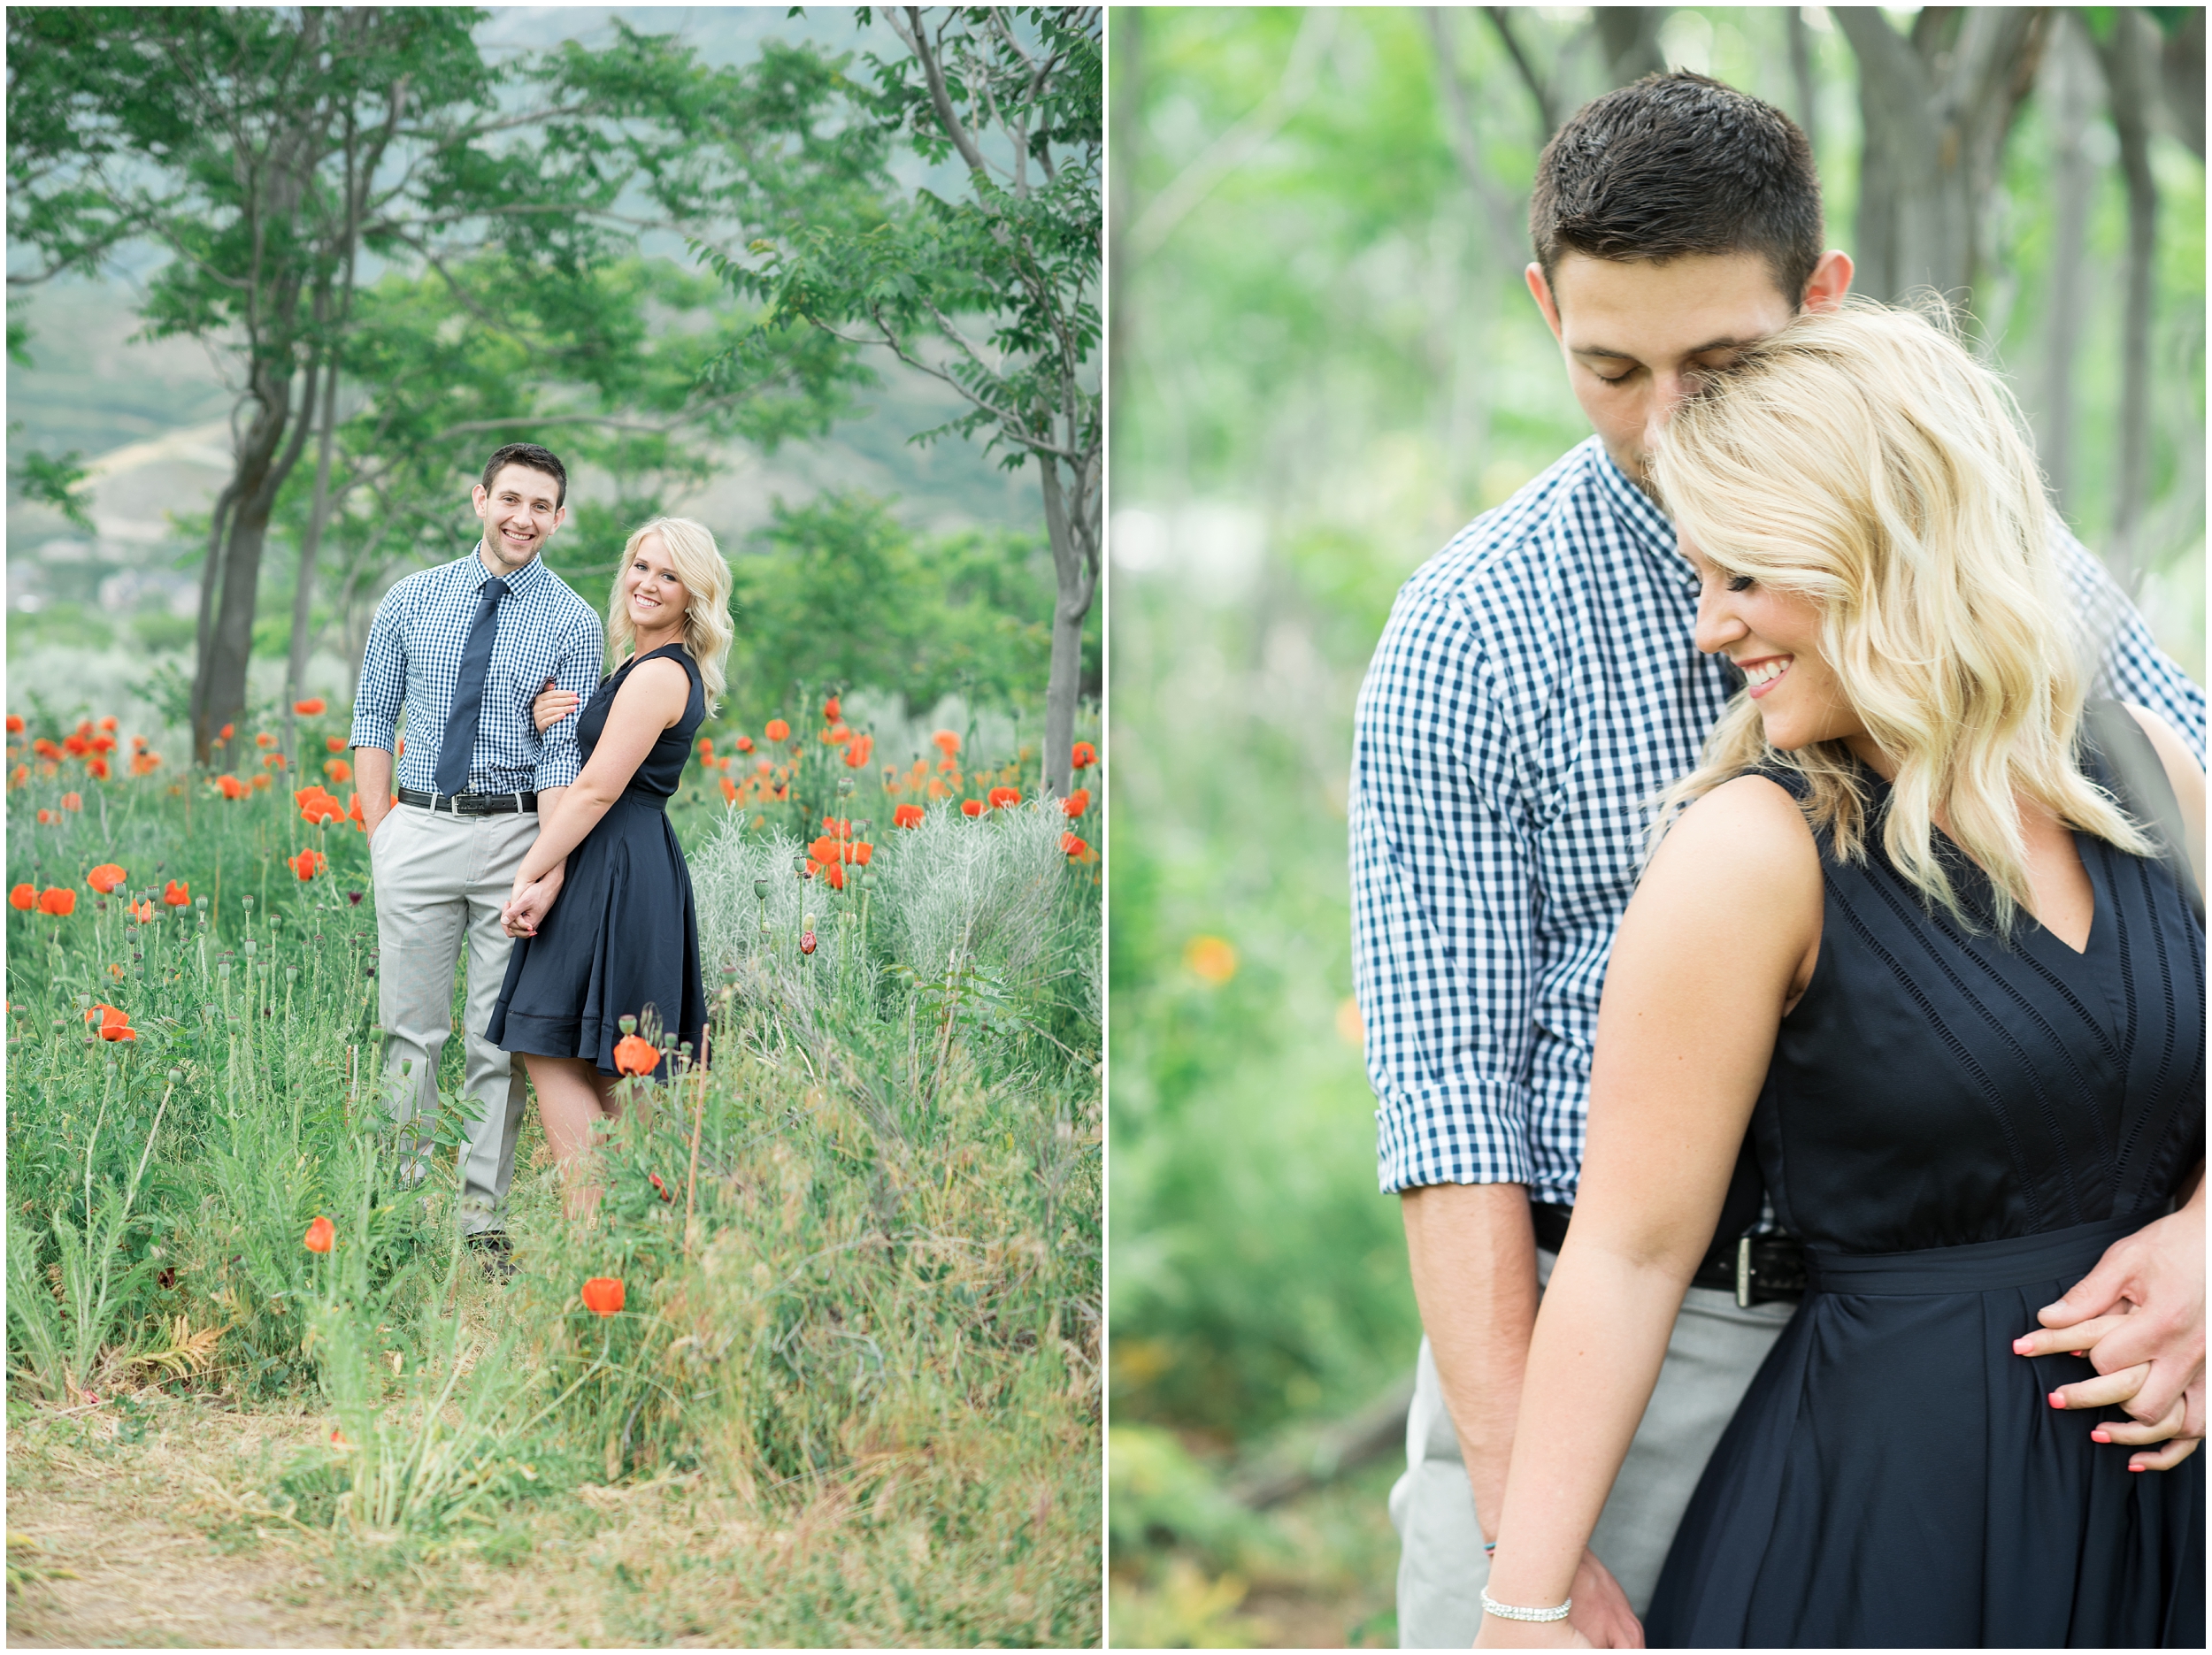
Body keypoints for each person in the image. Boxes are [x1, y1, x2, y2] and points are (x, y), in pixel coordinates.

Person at [1348, 73, 2208, 1648]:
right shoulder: (1471, 633)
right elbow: (1452, 1103)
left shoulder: (2015, 579)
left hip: (1995, 1340)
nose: (1664, 424)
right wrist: (1521, 1527)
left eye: (1720, 364)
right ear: (1546, 311)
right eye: (1609, 366)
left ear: (1822, 298)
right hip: (1634, 1349)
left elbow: (2172, 901)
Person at [350, 442, 603, 1268]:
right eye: (512, 499)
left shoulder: (572, 620)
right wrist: (381, 832)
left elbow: (563, 761)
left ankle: (478, 1222)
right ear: (480, 499)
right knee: (410, 1032)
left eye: (542, 507)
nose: (524, 518)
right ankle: (400, 1203)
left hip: (512, 839)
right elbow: (370, 723)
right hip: (418, 829)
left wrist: (546, 866)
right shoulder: (412, 599)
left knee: (495, 1041)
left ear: (558, 519)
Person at [486, 516, 729, 1218]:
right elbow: (582, 769)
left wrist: (529, 872)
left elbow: (597, 788)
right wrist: (549, 724)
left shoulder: (659, 674)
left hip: (618, 866)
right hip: (613, 858)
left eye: (670, 574)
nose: (650, 583)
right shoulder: (633, 667)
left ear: (694, 595)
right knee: (604, 1053)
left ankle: (597, 1226)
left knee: (562, 1045)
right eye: (642, 567)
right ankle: (637, 1228)